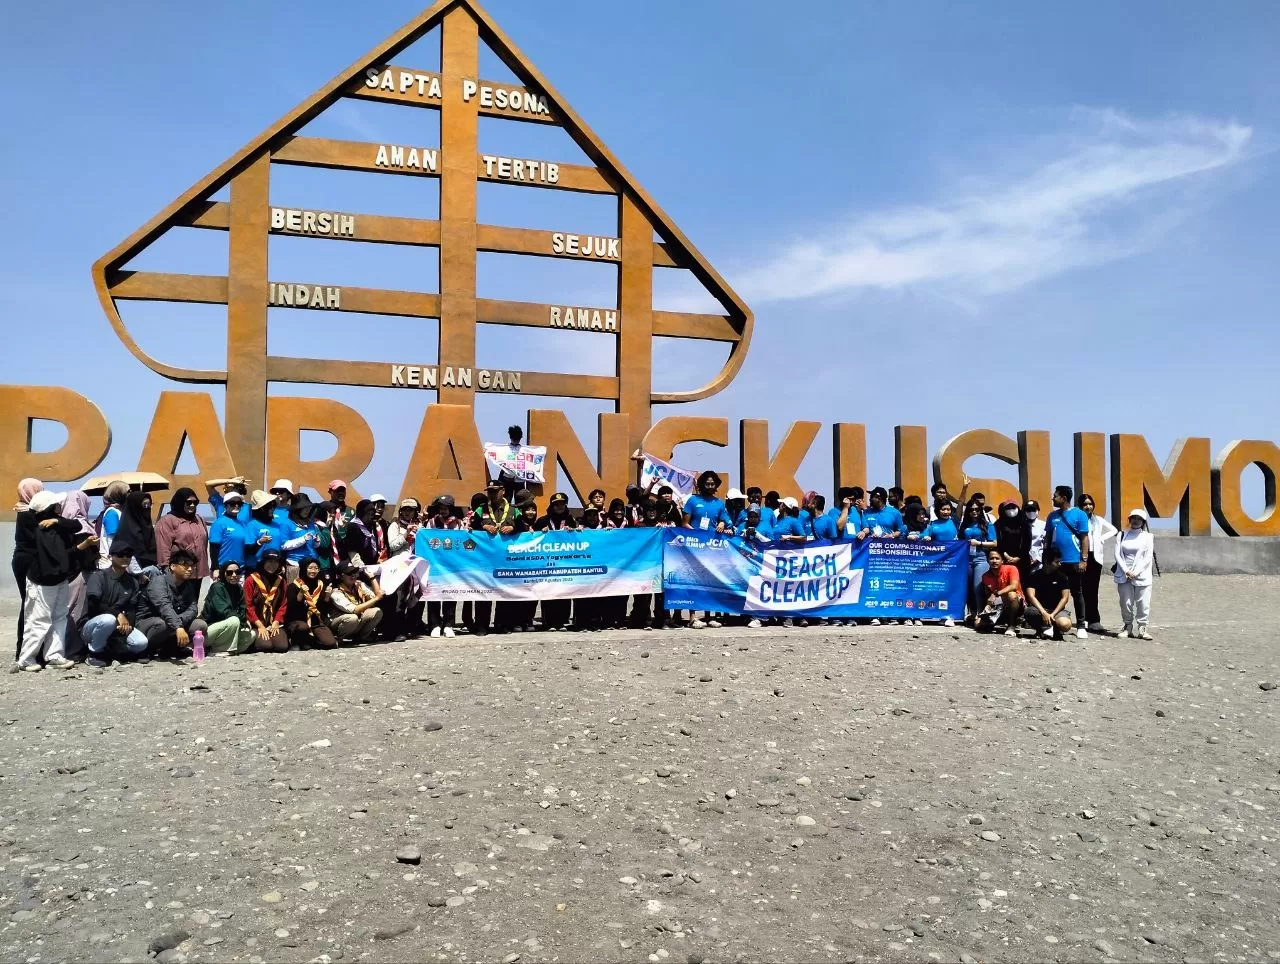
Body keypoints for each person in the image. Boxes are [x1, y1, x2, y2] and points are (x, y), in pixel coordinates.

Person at [16, 491, 94, 670]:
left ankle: (54, 655)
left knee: (59, 617)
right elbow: (57, 554)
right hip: (42, 579)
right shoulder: (36, 524)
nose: (59, 508)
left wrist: (57, 521)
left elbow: (75, 525)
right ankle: (26, 658)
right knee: (39, 619)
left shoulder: (57, 524)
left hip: (59, 577)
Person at [80, 543, 149, 666]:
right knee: (108, 620)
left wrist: (129, 626)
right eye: (120, 554)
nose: (124, 558)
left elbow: (132, 608)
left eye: (128, 555)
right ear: (110, 556)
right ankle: (94, 653)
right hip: (93, 625)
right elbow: (93, 605)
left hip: (119, 626)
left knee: (141, 643)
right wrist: (117, 614)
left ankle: (112, 649)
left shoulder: (132, 581)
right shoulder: (98, 576)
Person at [134, 548, 208, 659]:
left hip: (172, 621)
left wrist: (178, 621)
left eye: (192, 566)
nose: (190, 569)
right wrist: (178, 626)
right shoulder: (158, 582)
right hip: (149, 623)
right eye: (185, 565)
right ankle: (147, 650)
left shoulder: (188, 585)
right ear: (173, 566)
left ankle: (170, 649)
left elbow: (193, 609)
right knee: (162, 624)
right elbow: (164, 607)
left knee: (199, 625)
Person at [1044, 485, 1092, 639]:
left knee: (1077, 593)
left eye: (1055, 496)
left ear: (1063, 498)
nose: (1053, 498)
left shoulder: (1080, 515)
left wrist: (1084, 560)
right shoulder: (1052, 516)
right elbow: (1048, 538)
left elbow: (1085, 538)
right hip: (1056, 562)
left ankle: (1081, 625)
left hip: (1074, 561)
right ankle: (1052, 624)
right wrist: (1046, 558)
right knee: (1054, 593)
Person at [58, 490, 100, 660]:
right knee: (77, 612)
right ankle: (74, 649)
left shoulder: (62, 524)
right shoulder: (82, 525)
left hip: (66, 574)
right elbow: (84, 555)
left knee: (66, 611)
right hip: (81, 574)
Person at [419, 496, 462, 637]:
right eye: (441, 508)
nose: (443, 511)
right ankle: (434, 625)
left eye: (446, 508)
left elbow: (463, 542)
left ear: (451, 509)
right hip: (435, 565)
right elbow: (425, 541)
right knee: (434, 593)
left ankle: (449, 624)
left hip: (452, 566)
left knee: (451, 593)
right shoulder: (431, 522)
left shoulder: (459, 524)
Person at [535, 492, 578, 632]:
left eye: (562, 504)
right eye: (556, 504)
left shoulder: (571, 520)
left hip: (566, 564)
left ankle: (562, 622)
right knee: (548, 592)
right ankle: (549, 622)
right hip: (547, 564)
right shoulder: (543, 520)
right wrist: (540, 532)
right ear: (551, 506)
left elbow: (580, 538)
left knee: (564, 592)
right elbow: (532, 540)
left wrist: (574, 531)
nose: (559, 506)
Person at [12, 478, 45, 660]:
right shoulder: (28, 514)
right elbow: (40, 536)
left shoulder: (25, 510)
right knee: (30, 603)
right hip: (28, 560)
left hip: (22, 560)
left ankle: (28, 648)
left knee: (30, 603)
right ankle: (23, 649)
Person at [1078, 493, 1119, 633]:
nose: (1088, 506)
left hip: (1095, 558)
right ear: (1080, 506)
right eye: (1085, 504)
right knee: (1081, 590)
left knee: (1093, 590)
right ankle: (1083, 619)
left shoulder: (1099, 520)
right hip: (1081, 557)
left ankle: (1094, 620)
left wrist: (1101, 538)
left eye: (1090, 504)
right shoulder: (1077, 519)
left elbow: (1114, 530)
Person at [1114, 508, 1156, 640]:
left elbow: (1147, 557)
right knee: (1125, 603)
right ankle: (1127, 627)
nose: (1136, 520)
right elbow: (1117, 554)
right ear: (1129, 519)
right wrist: (1126, 570)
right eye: (1134, 518)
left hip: (1142, 575)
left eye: (1139, 519)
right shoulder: (1122, 534)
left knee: (1143, 603)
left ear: (1143, 522)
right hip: (1123, 574)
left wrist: (1135, 572)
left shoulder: (1148, 537)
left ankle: (1143, 628)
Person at [198, 562, 257, 656]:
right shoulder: (217, 587)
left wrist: (244, 620)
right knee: (234, 620)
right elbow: (224, 612)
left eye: (237, 572)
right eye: (230, 573)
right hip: (210, 629)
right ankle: (217, 650)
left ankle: (220, 649)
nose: (234, 575)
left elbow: (242, 609)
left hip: (228, 627)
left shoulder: (239, 589)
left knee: (252, 635)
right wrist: (241, 620)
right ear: (223, 573)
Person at [155, 488, 210, 579]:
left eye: (195, 502)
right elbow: (163, 548)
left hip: (198, 570)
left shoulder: (199, 519)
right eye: (188, 502)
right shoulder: (167, 521)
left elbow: (204, 543)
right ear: (180, 502)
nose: (192, 505)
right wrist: (166, 568)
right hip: (179, 572)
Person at [285, 558, 339, 649]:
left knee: (330, 643)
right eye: (310, 568)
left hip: (315, 621)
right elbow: (290, 609)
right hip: (298, 620)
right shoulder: (294, 586)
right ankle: (295, 640)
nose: (313, 571)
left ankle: (310, 641)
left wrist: (327, 596)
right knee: (302, 627)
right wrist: (300, 594)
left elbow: (325, 609)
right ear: (303, 569)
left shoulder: (321, 586)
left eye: (316, 568)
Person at [1024, 547, 1075, 640]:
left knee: (1065, 624)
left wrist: (1052, 614)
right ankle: (1040, 630)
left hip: (1057, 610)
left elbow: (1065, 598)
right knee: (1029, 612)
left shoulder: (1062, 577)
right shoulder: (1034, 576)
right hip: (1040, 609)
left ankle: (1057, 630)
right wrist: (1044, 612)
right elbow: (1031, 596)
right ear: (1047, 562)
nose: (1059, 564)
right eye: (1056, 562)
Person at [244, 549, 289, 652]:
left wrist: (276, 622)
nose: (272, 565)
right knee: (265, 646)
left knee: (281, 647)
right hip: (256, 622)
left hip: (273, 622)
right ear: (263, 562)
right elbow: (248, 605)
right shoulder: (251, 580)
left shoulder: (281, 581)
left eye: (275, 562)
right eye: (269, 561)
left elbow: (283, 604)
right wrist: (259, 625)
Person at [329, 562, 384, 642]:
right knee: (352, 618)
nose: (353, 575)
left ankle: (361, 637)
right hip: (341, 622)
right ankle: (338, 639)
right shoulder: (336, 591)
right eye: (349, 573)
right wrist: (376, 598)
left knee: (377, 611)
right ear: (341, 576)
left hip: (357, 620)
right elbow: (354, 610)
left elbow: (378, 594)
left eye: (355, 572)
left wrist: (372, 578)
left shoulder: (359, 584)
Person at [960, 501, 998, 617]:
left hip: (981, 558)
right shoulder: (965, 525)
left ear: (981, 510)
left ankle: (981, 613)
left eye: (977, 509)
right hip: (966, 558)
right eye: (971, 509)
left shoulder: (988, 525)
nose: (974, 512)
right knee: (968, 588)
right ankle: (971, 613)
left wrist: (979, 543)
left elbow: (994, 543)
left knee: (978, 587)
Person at [976, 548, 1024, 636]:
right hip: (998, 605)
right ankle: (998, 622)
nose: (994, 561)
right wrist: (987, 607)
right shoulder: (985, 576)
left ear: (1002, 560)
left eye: (997, 558)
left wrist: (996, 594)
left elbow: (1014, 586)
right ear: (987, 560)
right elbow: (989, 597)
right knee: (978, 624)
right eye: (991, 558)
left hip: (1016, 602)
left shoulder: (1011, 568)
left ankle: (1012, 625)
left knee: (1011, 595)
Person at [208, 491, 249, 575]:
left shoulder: (242, 524)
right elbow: (213, 547)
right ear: (225, 505)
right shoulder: (219, 523)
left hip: (239, 570)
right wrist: (215, 568)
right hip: (223, 570)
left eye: (239, 503)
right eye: (232, 503)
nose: (236, 505)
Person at [115, 490, 158, 571]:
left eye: (149, 505)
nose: (147, 508)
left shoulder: (148, 526)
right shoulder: (126, 529)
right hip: (135, 574)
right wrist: (139, 574)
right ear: (135, 506)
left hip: (152, 570)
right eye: (144, 505)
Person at [281, 493, 321, 580]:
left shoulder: (311, 524)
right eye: (304, 508)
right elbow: (283, 545)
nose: (307, 510)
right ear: (297, 509)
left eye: (309, 507)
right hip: (295, 565)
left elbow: (314, 546)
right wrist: (302, 539)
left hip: (312, 565)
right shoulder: (286, 523)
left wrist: (317, 541)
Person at [994, 500, 1033, 585]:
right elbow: (997, 541)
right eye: (1008, 508)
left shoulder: (1024, 523)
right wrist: (1005, 555)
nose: (1011, 510)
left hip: (1022, 559)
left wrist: (1018, 557)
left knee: (1024, 583)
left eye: (1013, 507)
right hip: (1004, 559)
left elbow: (1027, 541)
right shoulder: (998, 524)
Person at [94, 480, 131, 568]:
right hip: (112, 565)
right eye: (128, 492)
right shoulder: (112, 513)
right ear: (119, 494)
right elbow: (113, 540)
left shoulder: (118, 511)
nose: (130, 494)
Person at [244, 490, 284, 568]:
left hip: (274, 567)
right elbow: (248, 551)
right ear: (260, 509)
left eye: (273, 505)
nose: (272, 508)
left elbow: (280, 548)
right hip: (256, 567)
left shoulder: (276, 525)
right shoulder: (252, 525)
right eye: (268, 506)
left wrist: (281, 564)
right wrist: (259, 542)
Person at [342, 499, 382, 565]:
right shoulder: (353, 527)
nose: (372, 516)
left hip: (373, 564)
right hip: (359, 565)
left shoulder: (372, 525)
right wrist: (360, 565)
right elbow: (352, 550)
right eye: (369, 513)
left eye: (372, 513)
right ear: (362, 513)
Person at [1024, 499, 1046, 571]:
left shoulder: (1043, 525)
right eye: (1028, 510)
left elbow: (1046, 544)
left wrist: (1038, 559)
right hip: (1024, 562)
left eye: (1033, 510)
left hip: (1039, 563)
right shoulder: (1021, 525)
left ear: (1038, 510)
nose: (1031, 512)